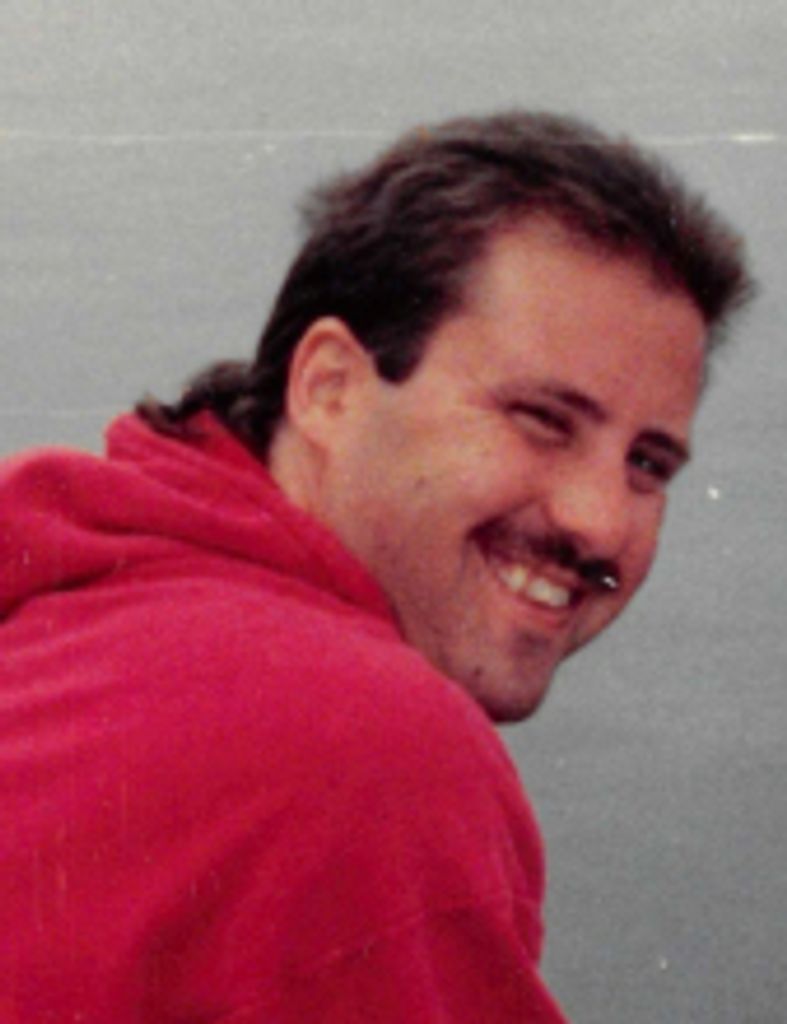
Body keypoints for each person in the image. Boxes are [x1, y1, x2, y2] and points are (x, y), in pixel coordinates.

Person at [0, 111, 752, 1022]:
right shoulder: (368, 750)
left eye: (647, 465)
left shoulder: (66, 603)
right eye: (541, 421)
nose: (597, 521)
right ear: (329, 387)